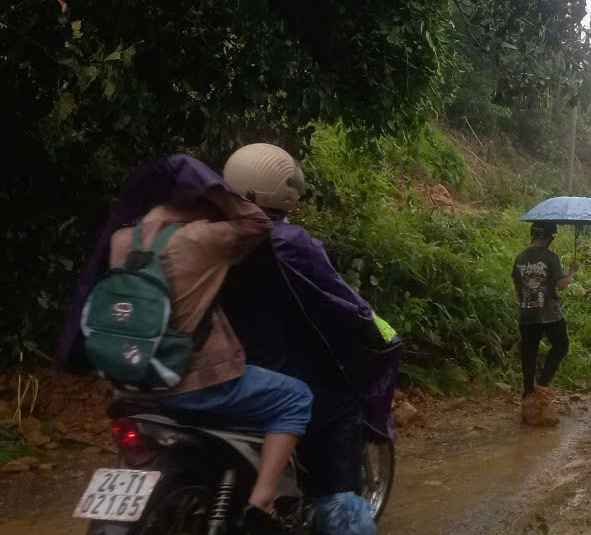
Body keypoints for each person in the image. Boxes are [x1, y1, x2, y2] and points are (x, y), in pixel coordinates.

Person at [104, 157, 312, 533]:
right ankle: (262, 500)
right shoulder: (202, 239)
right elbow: (259, 224)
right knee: (295, 397)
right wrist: (221, 197)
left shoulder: (122, 240)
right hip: (190, 382)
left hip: (130, 382)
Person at [219, 143, 395, 535]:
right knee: (341, 405)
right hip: (275, 366)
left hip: (215, 362)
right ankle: (337, 503)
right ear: (284, 191)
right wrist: (381, 332)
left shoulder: (211, 232)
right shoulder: (289, 241)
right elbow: (345, 301)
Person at [512, 221, 578, 398]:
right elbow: (562, 284)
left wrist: (525, 304)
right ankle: (543, 383)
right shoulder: (550, 257)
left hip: (527, 313)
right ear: (549, 237)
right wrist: (572, 271)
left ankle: (528, 391)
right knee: (561, 345)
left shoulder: (519, 258)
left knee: (529, 352)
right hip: (549, 313)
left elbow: (518, 288)